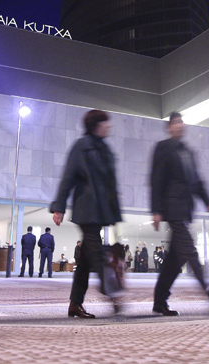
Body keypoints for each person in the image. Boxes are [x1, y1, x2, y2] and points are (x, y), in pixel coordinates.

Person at [151, 112, 209, 316]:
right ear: (169, 127)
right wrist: (156, 210)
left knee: (174, 261)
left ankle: (160, 300)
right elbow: (156, 179)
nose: (179, 125)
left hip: (185, 210)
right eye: (175, 122)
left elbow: (197, 182)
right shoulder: (163, 148)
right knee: (190, 252)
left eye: (181, 122)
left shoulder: (188, 152)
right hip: (172, 209)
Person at [50, 109, 123, 318]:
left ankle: (75, 304)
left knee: (85, 261)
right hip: (86, 209)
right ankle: (112, 292)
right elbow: (68, 177)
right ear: (96, 125)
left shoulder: (104, 149)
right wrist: (59, 206)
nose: (109, 126)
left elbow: (109, 184)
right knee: (98, 253)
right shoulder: (82, 146)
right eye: (105, 123)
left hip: (99, 211)